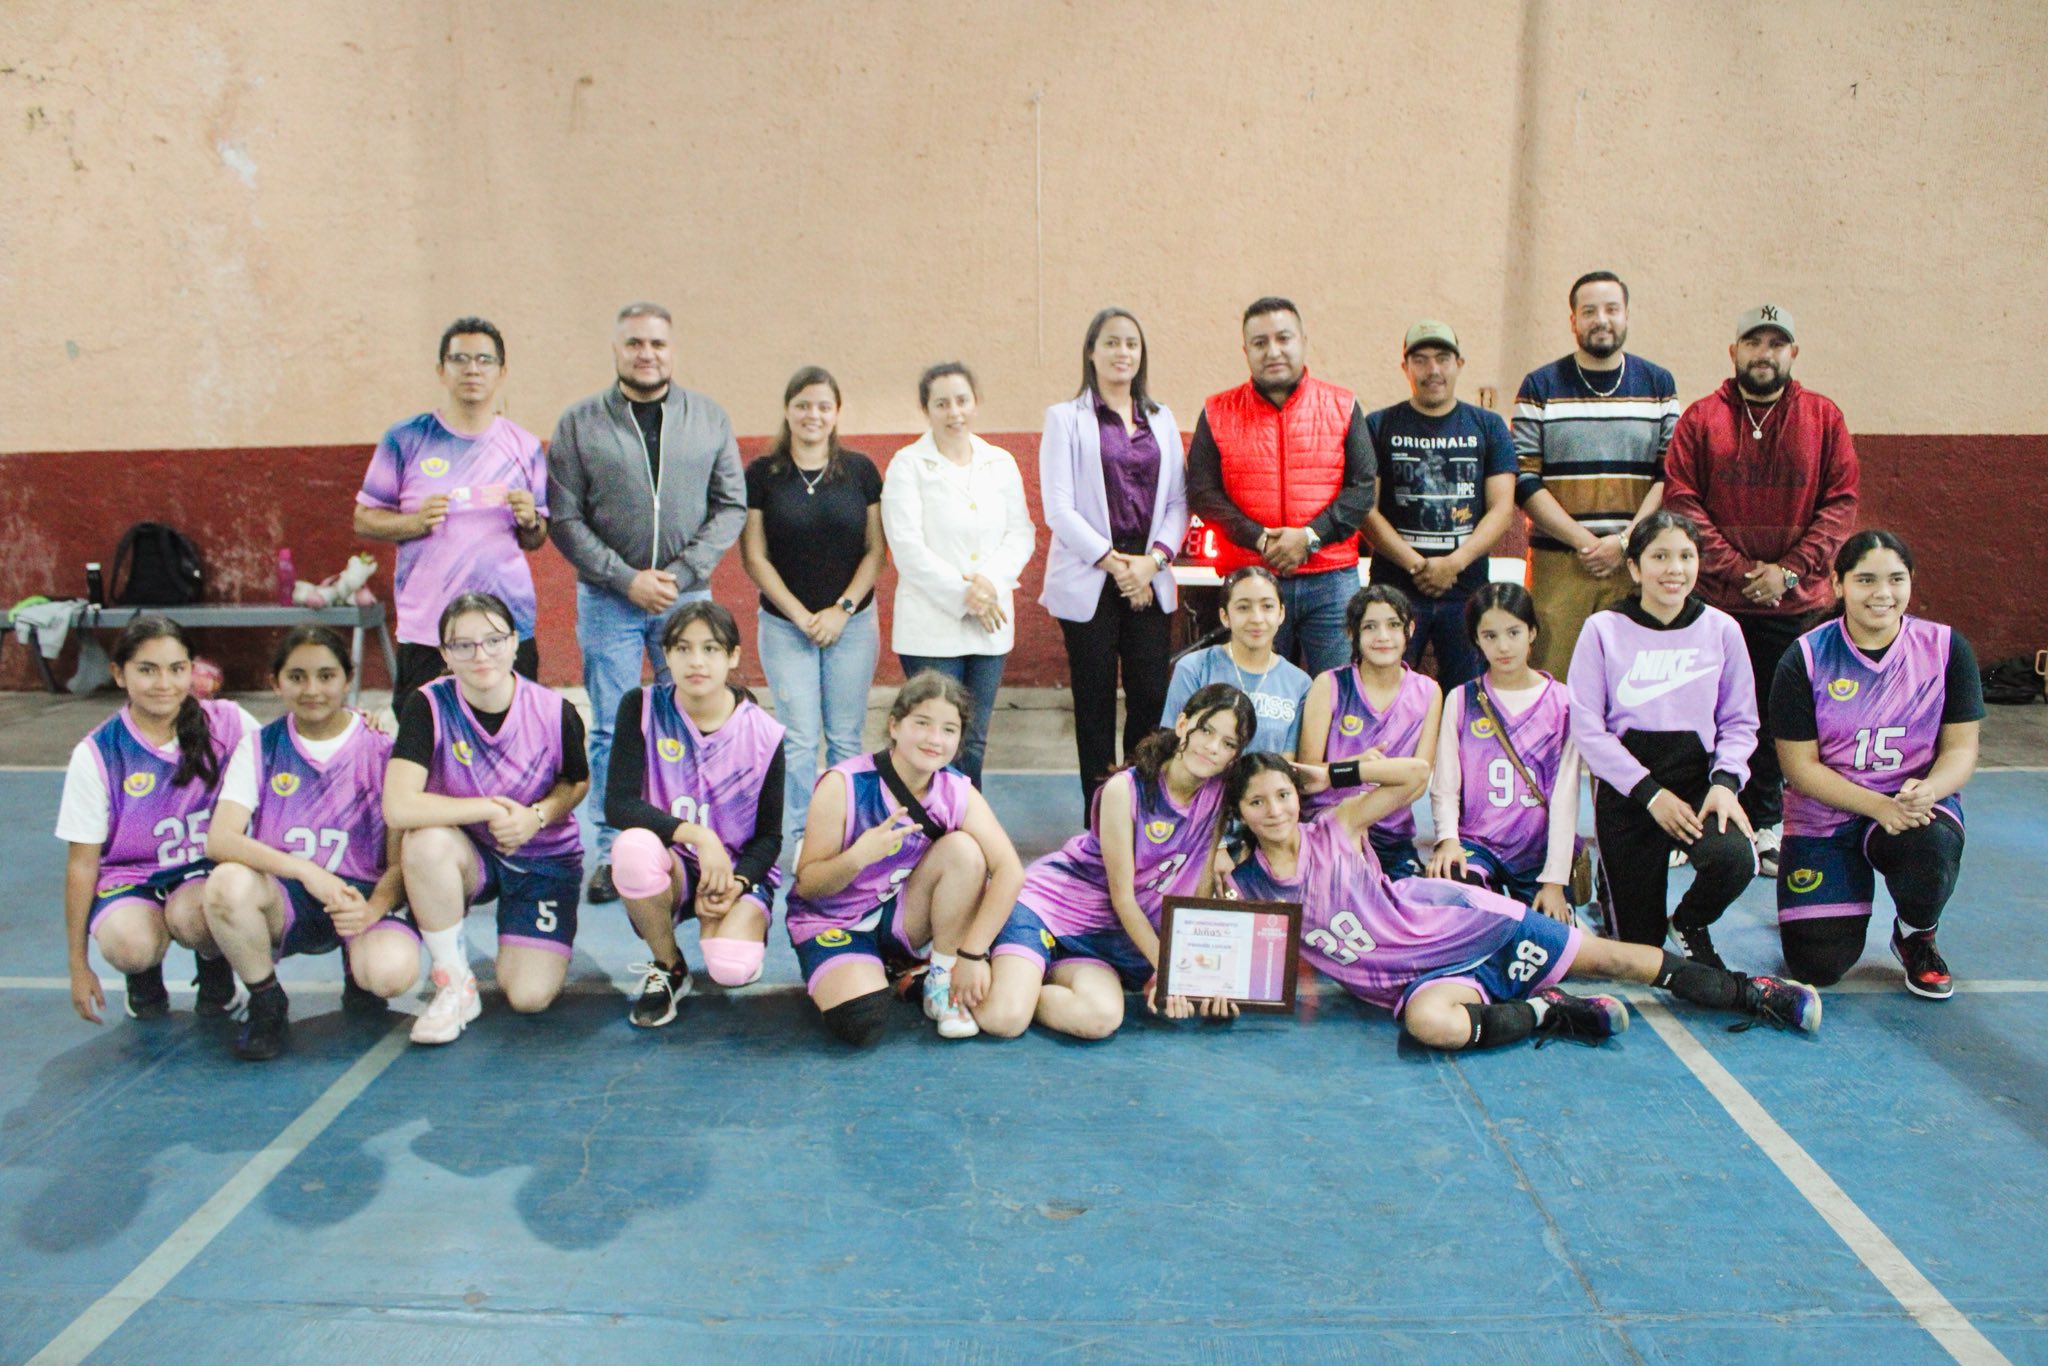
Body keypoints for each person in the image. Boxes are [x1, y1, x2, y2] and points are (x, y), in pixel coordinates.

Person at [1214, 752, 1821, 1050]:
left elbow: (1415, 773)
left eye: (1282, 796)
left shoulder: (1339, 826)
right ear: (1237, 814)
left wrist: (1332, 772)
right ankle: (1552, 1012)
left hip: (1459, 924)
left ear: (1298, 795)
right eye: (1257, 803)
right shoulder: (1247, 886)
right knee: (1432, 1030)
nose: (1274, 811)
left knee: (1614, 960)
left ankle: (1752, 993)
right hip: (1414, 985)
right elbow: (1229, 954)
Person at [547, 302, 745, 905]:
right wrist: (623, 577)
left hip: (686, 602)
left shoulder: (708, 418)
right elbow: (564, 516)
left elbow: (730, 505)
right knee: (610, 727)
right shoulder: (579, 423)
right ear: (616, 349)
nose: (646, 353)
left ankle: (683, 841)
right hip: (609, 600)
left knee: (687, 723)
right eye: (634, 343)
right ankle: (612, 849)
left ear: (672, 349)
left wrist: (683, 573)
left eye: (657, 343)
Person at [1663, 303, 1860, 877]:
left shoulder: (1823, 418)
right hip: (1717, 604)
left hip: (1795, 606)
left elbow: (1841, 503)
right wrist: (1741, 570)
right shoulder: (1702, 418)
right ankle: (1698, 823)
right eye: (1754, 342)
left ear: (1792, 353)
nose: (1764, 353)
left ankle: (1767, 823)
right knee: (1704, 714)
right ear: (1734, 351)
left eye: (1777, 343)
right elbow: (1683, 501)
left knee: (1779, 719)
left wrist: (1789, 572)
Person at [977, 684, 1254, 1041]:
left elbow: (1197, 892)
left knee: (1101, 1019)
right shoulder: (1125, 789)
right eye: (1206, 730)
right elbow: (1123, 898)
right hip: (1049, 910)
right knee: (1005, 1020)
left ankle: (1025, 978)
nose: (1213, 748)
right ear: (1183, 724)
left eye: (1229, 743)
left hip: (1108, 942)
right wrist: (1170, 972)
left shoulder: (1217, 798)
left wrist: (1200, 976)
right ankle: (963, 975)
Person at [1772, 531, 1982, 996]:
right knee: (1817, 965)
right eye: (1866, 580)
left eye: (1895, 579)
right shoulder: (1805, 657)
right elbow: (1799, 767)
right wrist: (1877, 806)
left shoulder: (1946, 649)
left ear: (1911, 582)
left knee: (1931, 852)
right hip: (1827, 814)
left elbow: (1961, 751)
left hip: (1910, 809)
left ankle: (1916, 934)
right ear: (1839, 584)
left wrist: (1930, 788)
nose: (1882, 594)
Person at [201, 627, 420, 1059]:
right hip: (288, 896)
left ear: (347, 678)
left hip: (357, 897)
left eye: (326, 675)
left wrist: (371, 910)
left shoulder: (384, 750)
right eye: (297, 676)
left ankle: (359, 975)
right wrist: (306, 871)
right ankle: (266, 1001)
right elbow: (220, 838)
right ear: (275, 682)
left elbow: (398, 864)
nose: (313, 689)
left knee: (391, 972)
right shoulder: (260, 746)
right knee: (225, 885)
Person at [384, 593, 590, 1045]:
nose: (481, 655)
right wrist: (490, 809)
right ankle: (455, 983)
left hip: (542, 860)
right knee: (424, 842)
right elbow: (398, 805)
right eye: (463, 645)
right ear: (445, 655)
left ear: (516, 643)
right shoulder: (428, 706)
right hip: (470, 851)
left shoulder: (555, 711)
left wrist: (537, 816)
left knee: (528, 997)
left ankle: (533, 939)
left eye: (493, 640)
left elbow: (576, 783)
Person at [784, 673, 1027, 1046]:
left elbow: (1010, 870)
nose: (934, 739)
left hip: (901, 918)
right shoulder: (844, 784)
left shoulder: (956, 790)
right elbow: (809, 886)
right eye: (922, 723)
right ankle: (898, 977)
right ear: (894, 725)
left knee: (964, 850)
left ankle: (939, 978)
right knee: (861, 1022)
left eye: (949, 729)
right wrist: (857, 857)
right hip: (832, 919)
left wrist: (972, 954)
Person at [1567, 513, 1758, 966]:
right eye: (1660, 557)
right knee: (1641, 950)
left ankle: (1690, 922)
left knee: (1735, 860)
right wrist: (1650, 795)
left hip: (1698, 786)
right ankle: (1613, 889)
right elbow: (1588, 728)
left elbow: (1739, 721)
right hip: (1631, 792)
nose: (1674, 569)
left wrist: (1725, 784)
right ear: (1634, 567)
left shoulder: (1723, 630)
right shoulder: (1603, 629)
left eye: (1686, 557)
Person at [56, 616, 258, 1024]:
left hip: (201, 872)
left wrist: (360, 724)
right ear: (119, 675)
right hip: (129, 876)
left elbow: (292, 749)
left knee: (198, 915)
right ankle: (143, 978)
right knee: (129, 944)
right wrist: (78, 965)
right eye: (147, 670)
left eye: (176, 669)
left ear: (191, 671)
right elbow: (81, 865)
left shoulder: (229, 724)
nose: (164, 683)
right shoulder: (98, 752)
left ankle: (215, 969)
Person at [354, 316, 550, 716]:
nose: (472, 369)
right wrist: (413, 522)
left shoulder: (525, 446)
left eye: (483, 360)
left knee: (512, 733)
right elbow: (363, 518)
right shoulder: (406, 438)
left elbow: (536, 538)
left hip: (505, 628)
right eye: (460, 359)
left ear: (501, 371)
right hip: (428, 628)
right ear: (442, 370)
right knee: (423, 739)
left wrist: (531, 520)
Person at [605, 603, 786, 1027]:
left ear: (733, 656)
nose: (696, 661)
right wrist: (700, 838)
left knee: (730, 969)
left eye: (710, 648)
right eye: (683, 648)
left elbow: (770, 838)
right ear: (666, 655)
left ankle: (735, 924)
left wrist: (737, 882)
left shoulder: (764, 734)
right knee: (631, 848)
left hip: (736, 871)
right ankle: (669, 967)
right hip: (673, 867)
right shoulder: (642, 707)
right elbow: (618, 804)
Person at [1039, 308, 1189, 808]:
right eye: (1111, 343)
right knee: (1095, 704)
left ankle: (1140, 808)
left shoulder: (1162, 419)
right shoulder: (1065, 418)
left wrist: (1153, 562)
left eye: (1131, 343)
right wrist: (1117, 565)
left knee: (1149, 700)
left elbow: (1177, 502)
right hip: (1091, 581)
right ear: (1091, 351)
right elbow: (1058, 509)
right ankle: (1098, 815)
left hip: (1149, 578)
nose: (1122, 352)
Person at [1185, 297, 1376, 676]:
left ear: (1303, 340)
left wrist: (1309, 537)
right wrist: (1261, 540)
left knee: (1337, 695)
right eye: (1260, 342)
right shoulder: (1217, 411)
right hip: (1251, 578)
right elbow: (1203, 492)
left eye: (1283, 338)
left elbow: (1362, 488)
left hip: (1331, 582)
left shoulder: (1343, 405)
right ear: (1246, 350)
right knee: (1252, 698)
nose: (1273, 351)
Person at [740, 366, 885, 853]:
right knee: (799, 738)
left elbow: (875, 551)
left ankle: (846, 831)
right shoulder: (763, 475)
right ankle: (804, 838)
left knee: (845, 736)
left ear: (837, 412)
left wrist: (842, 609)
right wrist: (801, 616)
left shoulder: (860, 471)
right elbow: (754, 556)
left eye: (824, 405)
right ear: (787, 409)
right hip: (785, 626)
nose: (813, 415)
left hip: (854, 623)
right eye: (803, 404)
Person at [1511, 272, 1682, 679]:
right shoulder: (1540, 386)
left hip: (1636, 563)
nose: (1601, 319)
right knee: (1554, 677)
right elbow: (1525, 480)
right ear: (1573, 321)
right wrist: (1586, 543)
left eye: (1611, 309)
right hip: (1560, 563)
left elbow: (1669, 474)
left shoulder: (1658, 384)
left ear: (1626, 316)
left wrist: (1624, 543)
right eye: (1588, 311)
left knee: (1630, 681)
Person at [880, 363, 1036, 787]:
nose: (954, 412)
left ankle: (969, 832)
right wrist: (967, 596)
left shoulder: (999, 462)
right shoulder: (907, 464)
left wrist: (989, 585)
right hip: (932, 626)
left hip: (990, 625)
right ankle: (932, 831)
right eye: (942, 403)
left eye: (962, 401)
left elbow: (1021, 532)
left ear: (976, 403)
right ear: (926, 409)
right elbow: (908, 549)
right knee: (934, 740)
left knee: (972, 740)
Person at [1360, 321, 1516, 687]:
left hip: (1466, 590)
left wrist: (1454, 564)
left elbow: (1502, 509)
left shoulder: (1489, 427)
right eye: (1421, 360)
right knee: (1385, 691)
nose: (1433, 370)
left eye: (1443, 358)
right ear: (1405, 368)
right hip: (1394, 588)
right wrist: (1418, 566)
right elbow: (1367, 510)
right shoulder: (1378, 425)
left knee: (1469, 696)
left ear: (1459, 364)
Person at [1426, 584, 1583, 922]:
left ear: (1532, 632)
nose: (1503, 646)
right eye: (1490, 635)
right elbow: (1445, 784)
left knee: (1548, 942)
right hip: (1479, 845)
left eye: (1514, 632)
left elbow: (1567, 794)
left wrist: (1555, 880)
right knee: (1450, 900)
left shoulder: (1564, 702)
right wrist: (1448, 840)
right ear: (1477, 640)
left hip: (1538, 852)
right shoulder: (1461, 698)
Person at [1297, 585, 1442, 878]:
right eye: (1370, 627)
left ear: (1410, 630)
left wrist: (1361, 782)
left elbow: (1419, 778)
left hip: (1391, 835)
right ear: (1352, 633)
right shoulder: (1330, 684)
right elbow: (1307, 774)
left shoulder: (1428, 691)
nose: (1383, 637)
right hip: (1330, 823)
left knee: (1407, 911)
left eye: (1393, 625)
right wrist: (1359, 766)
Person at [1161, 566, 1312, 755]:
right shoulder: (1194, 668)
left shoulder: (1300, 683)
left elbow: (1287, 761)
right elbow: (1173, 747)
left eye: (1267, 607)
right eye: (1243, 607)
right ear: (1225, 616)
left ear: (1281, 614)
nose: (1257, 618)